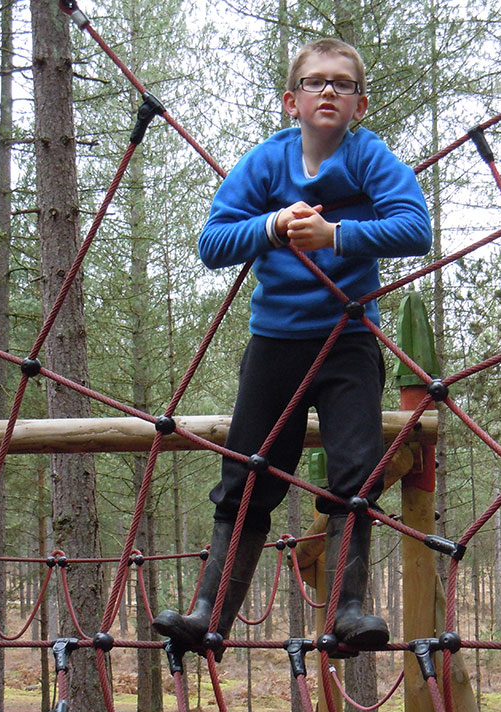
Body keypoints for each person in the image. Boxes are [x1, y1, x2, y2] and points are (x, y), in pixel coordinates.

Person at [153, 38, 431, 657]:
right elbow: (212, 242)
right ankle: (209, 612)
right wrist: (273, 226)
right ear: (291, 100)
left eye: (341, 83)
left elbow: (416, 228)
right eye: (314, 82)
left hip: (347, 339)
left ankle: (348, 610)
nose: (327, 91)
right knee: (248, 469)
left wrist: (337, 234)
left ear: (360, 102)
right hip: (275, 341)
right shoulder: (266, 163)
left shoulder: (369, 157)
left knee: (354, 471)